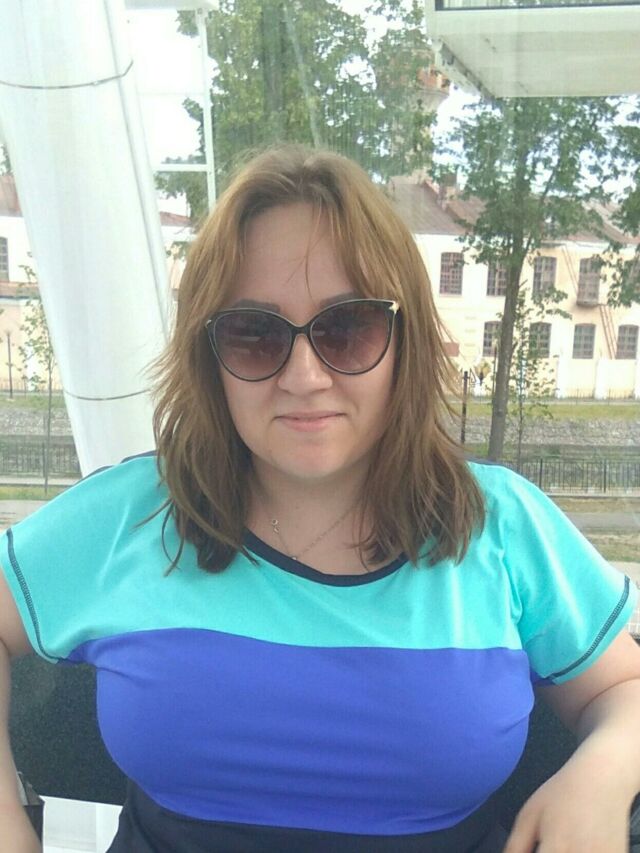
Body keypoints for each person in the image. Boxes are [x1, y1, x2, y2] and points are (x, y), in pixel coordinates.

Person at [1, 145, 640, 853]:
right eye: (253, 333)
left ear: (404, 342)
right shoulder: (135, 512)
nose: (304, 376)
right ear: (210, 357)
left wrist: (608, 767)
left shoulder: (500, 524)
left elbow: (624, 687)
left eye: (348, 327)